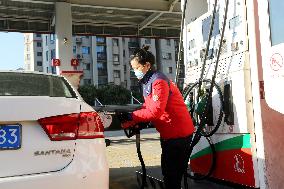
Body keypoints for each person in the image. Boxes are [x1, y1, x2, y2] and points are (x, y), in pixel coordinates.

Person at [120, 46, 195, 189]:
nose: (135, 72)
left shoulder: (158, 82)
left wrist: (132, 116)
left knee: (172, 176)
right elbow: (148, 106)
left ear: (147, 65)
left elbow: (155, 112)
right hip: (169, 133)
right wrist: (137, 119)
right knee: (169, 173)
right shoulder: (148, 81)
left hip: (178, 134)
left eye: (136, 68)